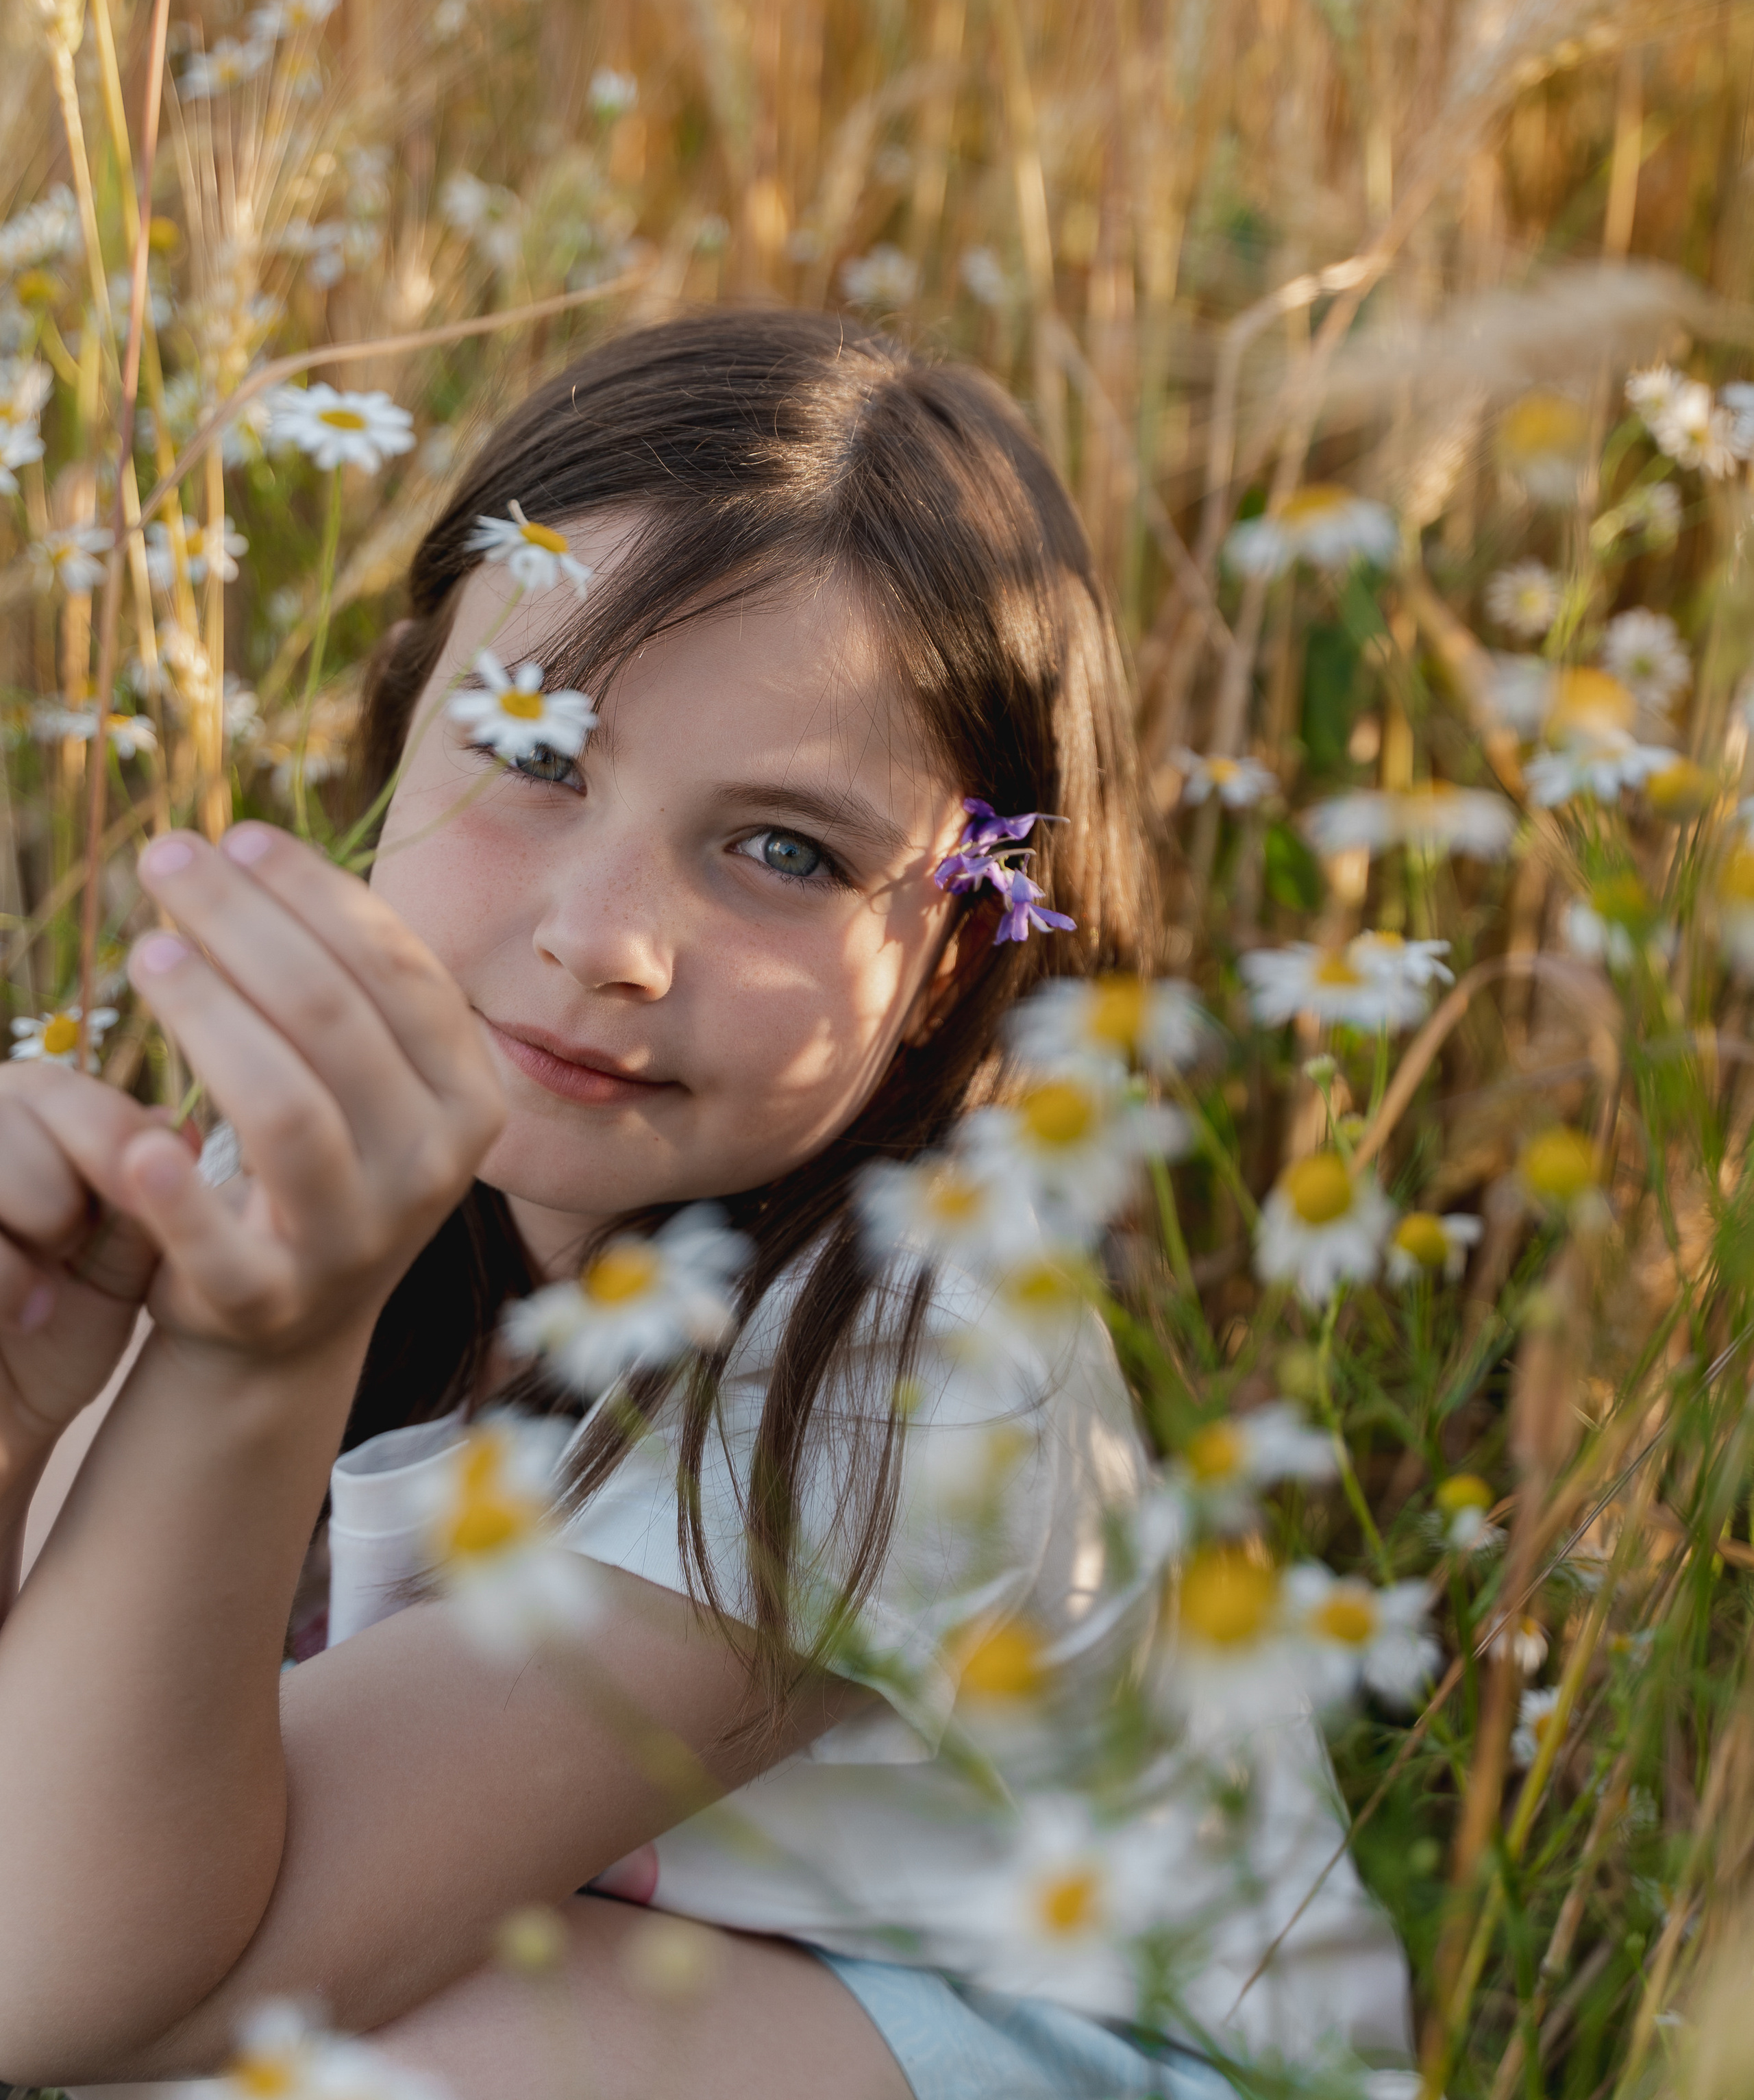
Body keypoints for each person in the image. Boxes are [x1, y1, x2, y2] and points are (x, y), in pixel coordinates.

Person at [0, 313, 1409, 2098]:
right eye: (534, 753)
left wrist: (254, 1362)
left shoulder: (917, 1371)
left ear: (951, 950)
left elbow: (73, 1982)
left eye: (783, 851)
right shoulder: (326, 1160)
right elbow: (51, 1801)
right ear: (396, 726)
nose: (603, 937)